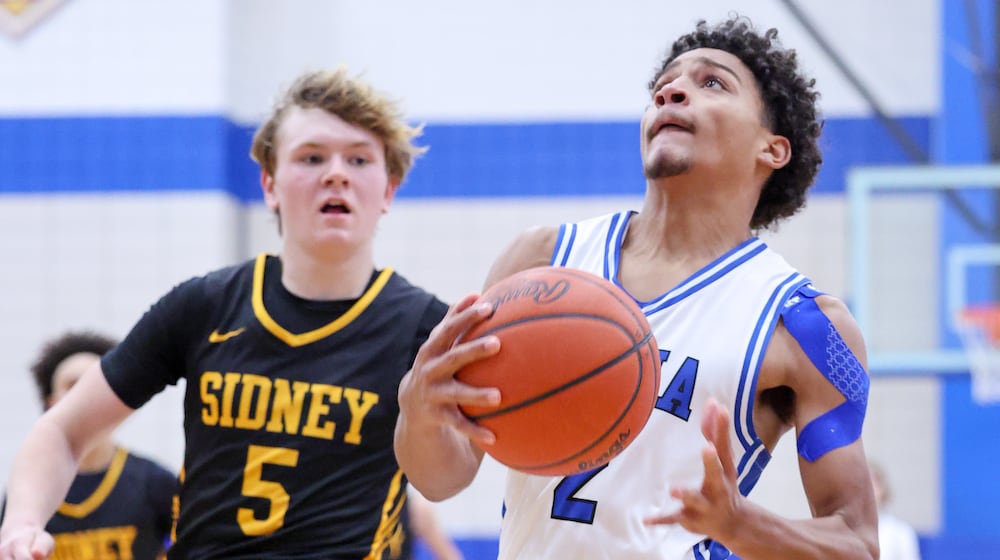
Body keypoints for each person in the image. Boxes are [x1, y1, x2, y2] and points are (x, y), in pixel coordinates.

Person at [395, 16, 880, 559]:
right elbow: (441, 479)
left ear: (772, 149)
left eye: (712, 82)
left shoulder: (803, 325)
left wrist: (742, 524)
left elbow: (857, 544)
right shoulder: (541, 260)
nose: (671, 92)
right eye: (663, 88)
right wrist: (418, 412)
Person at [0, 68, 448, 559]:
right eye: (312, 156)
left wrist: (425, 421)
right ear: (270, 183)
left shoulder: (426, 328)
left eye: (359, 158)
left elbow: (447, 481)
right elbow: (62, 430)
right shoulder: (205, 306)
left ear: (388, 189)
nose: (335, 172)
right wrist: (21, 524)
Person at [1, 331, 176, 560]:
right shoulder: (31, 494)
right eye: (72, 385)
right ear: (51, 401)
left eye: (93, 386)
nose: (83, 396)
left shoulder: (155, 482)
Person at [870, 462, 921, 560]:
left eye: (873, 484)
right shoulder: (846, 531)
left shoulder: (900, 532)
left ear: (883, 490)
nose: (868, 491)